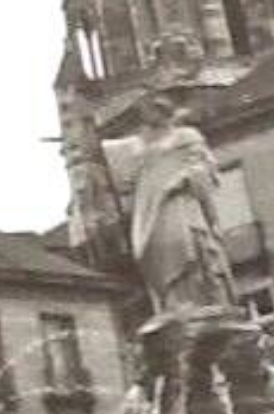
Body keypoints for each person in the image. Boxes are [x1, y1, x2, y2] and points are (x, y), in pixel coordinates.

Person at [100, 95, 238, 319]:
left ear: (164, 112)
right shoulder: (138, 145)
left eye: (151, 111)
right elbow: (115, 166)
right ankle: (173, 306)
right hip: (151, 209)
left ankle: (199, 302)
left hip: (180, 203)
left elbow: (204, 167)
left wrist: (182, 179)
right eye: (144, 112)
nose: (146, 117)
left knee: (189, 245)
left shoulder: (186, 136)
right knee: (158, 251)